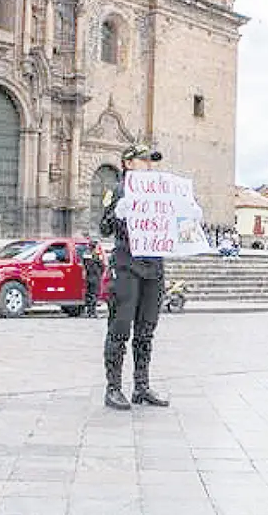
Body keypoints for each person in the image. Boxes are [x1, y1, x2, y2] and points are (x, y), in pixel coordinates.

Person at [100, 144, 170, 410]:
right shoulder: (118, 190)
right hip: (127, 265)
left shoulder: (162, 193)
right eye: (143, 160)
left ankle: (141, 386)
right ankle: (113, 388)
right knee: (120, 327)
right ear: (128, 163)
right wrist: (119, 215)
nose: (148, 165)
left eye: (151, 161)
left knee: (146, 329)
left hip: (153, 266)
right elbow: (104, 227)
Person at [81, 238, 105, 318]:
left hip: (88, 276)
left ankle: (88, 311)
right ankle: (93, 312)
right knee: (94, 294)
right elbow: (102, 266)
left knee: (88, 294)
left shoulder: (86, 253)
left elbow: (84, 264)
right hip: (95, 276)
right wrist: (100, 273)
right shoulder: (97, 254)